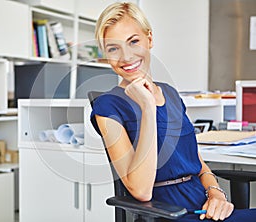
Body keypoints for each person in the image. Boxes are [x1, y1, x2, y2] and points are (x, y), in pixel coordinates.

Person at [90, 2, 256, 222]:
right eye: (113, 48)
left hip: (203, 206)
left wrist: (216, 194)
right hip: (166, 213)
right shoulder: (107, 107)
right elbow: (140, 191)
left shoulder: (170, 93)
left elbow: (196, 161)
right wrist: (147, 107)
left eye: (134, 42)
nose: (126, 56)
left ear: (149, 39)